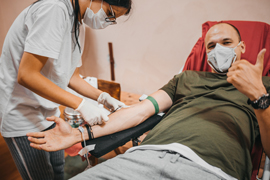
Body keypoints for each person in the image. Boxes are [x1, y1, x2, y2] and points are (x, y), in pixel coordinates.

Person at [27, 23, 270, 180]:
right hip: (142, 158)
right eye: (211, 46)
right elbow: (138, 112)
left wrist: (259, 97)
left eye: (226, 43)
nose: (218, 50)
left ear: (242, 46)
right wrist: (79, 134)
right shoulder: (187, 78)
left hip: (210, 168)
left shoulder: (265, 86)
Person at [0, 0, 132, 179]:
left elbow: (72, 77)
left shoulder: (78, 24)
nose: (107, 21)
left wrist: (103, 97)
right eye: (110, 13)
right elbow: (27, 75)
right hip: (21, 113)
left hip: (48, 112)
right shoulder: (54, 9)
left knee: (58, 170)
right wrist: (81, 104)